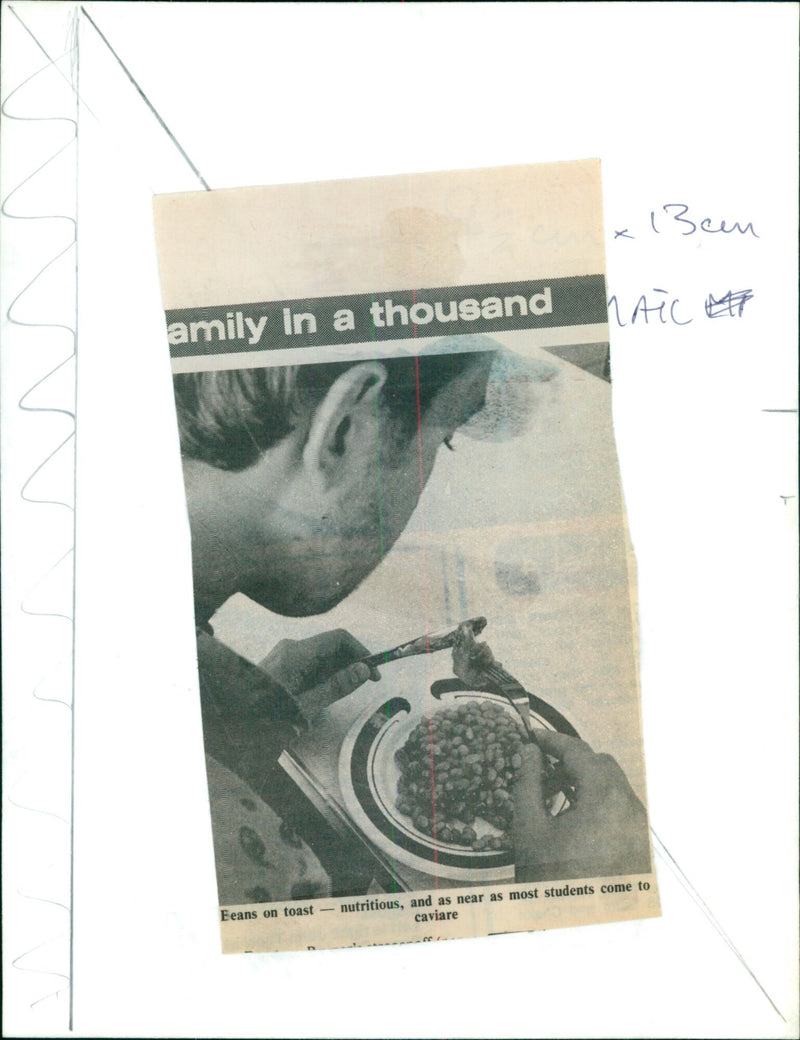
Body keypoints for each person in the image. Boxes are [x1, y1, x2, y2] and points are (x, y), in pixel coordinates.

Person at [172, 342, 649, 902]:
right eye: (446, 434)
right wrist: (585, 900)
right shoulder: (258, 866)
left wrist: (231, 720)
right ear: (345, 430)